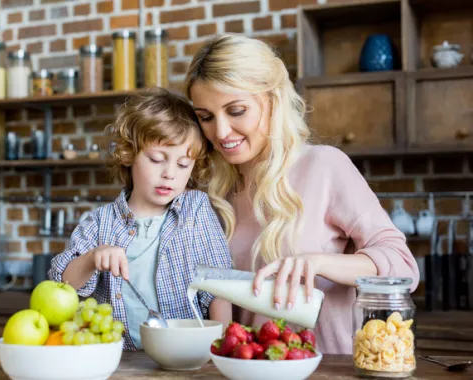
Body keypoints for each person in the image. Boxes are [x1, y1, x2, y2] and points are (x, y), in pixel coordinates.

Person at [183, 34, 420, 354]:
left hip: (326, 369)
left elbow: (403, 266)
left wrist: (320, 263)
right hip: (244, 370)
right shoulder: (213, 192)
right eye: (206, 117)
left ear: (272, 99)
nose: (221, 132)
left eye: (236, 110)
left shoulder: (323, 166)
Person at [48, 87, 233, 351]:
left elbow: (219, 288)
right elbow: (61, 285)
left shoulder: (195, 209)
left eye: (183, 165)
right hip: (122, 357)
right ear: (129, 154)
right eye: (157, 159)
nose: (170, 173)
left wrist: (221, 349)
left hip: (189, 355)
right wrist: (92, 258)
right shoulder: (101, 223)